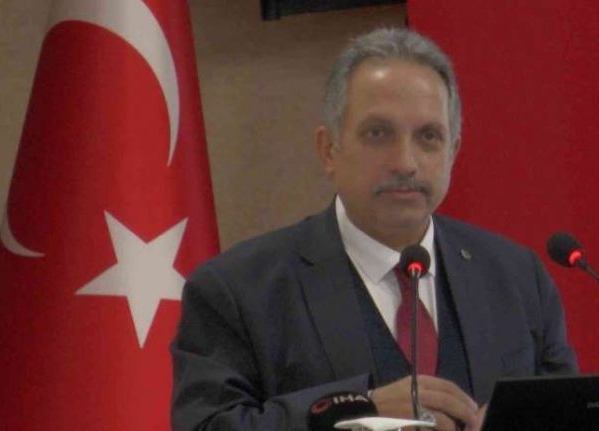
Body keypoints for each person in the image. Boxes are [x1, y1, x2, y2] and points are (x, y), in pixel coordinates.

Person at [170, 27, 577, 431]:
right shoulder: (238, 290)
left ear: (453, 151)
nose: (405, 162)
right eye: (378, 134)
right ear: (328, 150)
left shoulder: (517, 278)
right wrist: (355, 409)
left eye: (429, 136)